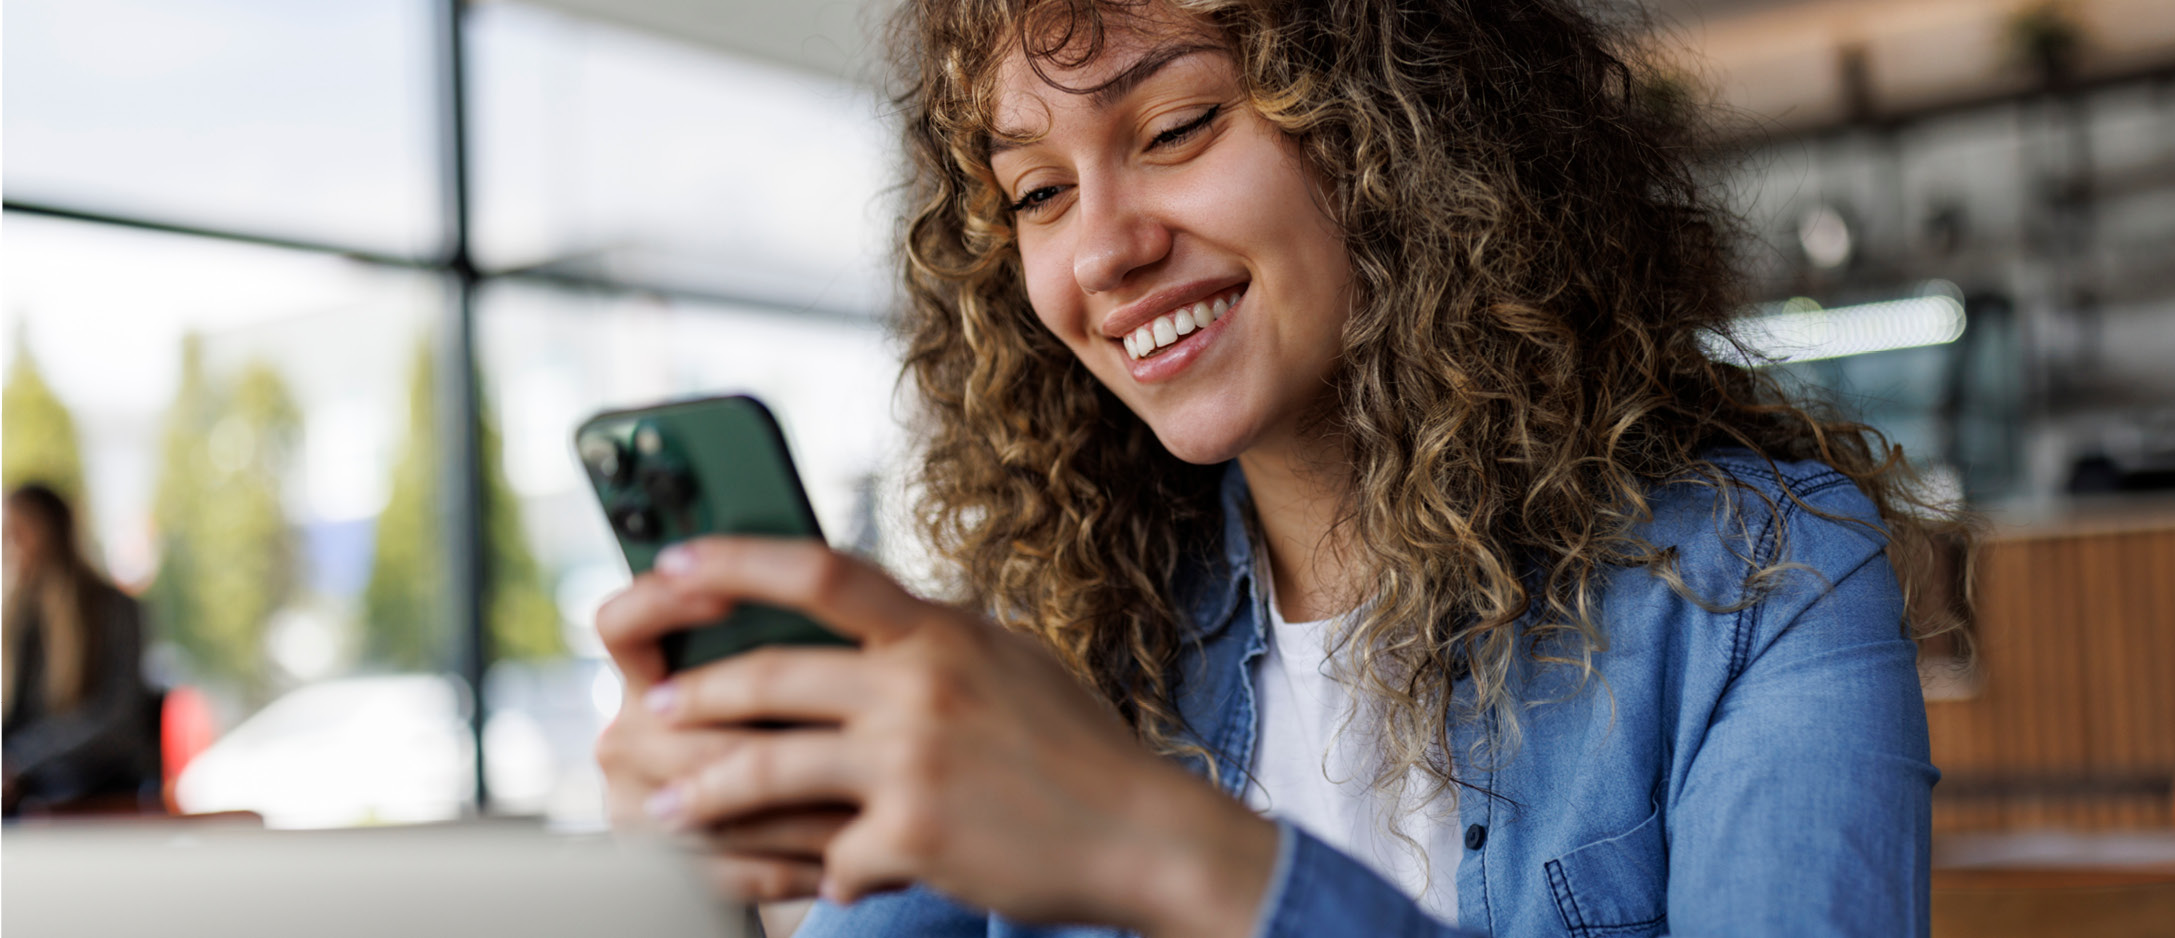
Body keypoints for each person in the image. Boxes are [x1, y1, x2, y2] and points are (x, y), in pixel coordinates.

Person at [594, 0, 1963, 934]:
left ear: (1411, 131)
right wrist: (701, 873)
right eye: (1037, 193)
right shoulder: (1058, 655)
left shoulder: (1767, 584)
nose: (1103, 250)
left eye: (1179, 127)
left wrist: (1169, 849)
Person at [3, 483, 159, 816]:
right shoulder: (19, 618)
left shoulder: (112, 610)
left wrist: (21, 762)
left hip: (90, 793)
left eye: (18, 532)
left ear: (51, 533)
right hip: (28, 792)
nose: (8, 546)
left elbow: (118, 722)